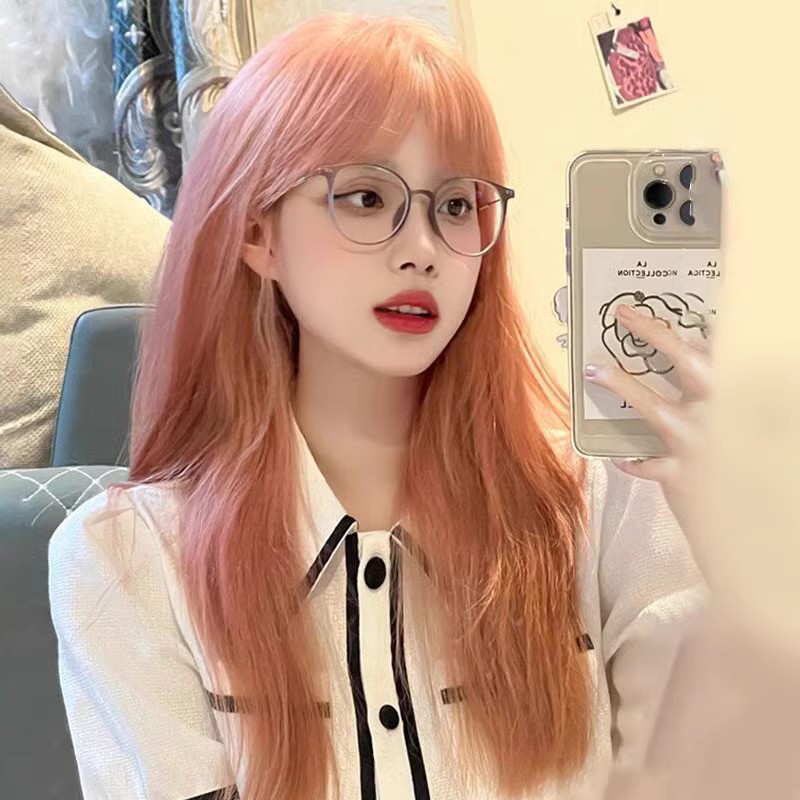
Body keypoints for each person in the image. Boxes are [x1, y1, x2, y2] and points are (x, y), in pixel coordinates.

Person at [47, 13, 707, 800]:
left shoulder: (601, 504)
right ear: (257, 233)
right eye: (366, 197)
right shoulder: (128, 563)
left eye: (456, 205)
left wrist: (726, 534)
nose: (423, 249)